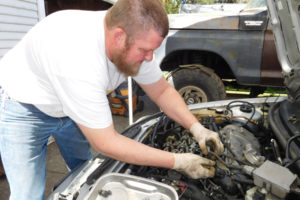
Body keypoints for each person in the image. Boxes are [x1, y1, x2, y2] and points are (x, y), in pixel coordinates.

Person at [0, 0, 224, 199]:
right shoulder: (77, 58)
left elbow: (162, 91)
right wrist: (178, 161)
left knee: (86, 172)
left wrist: (197, 128)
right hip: (24, 108)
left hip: (69, 111)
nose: (149, 58)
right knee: (27, 193)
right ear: (119, 36)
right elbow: (106, 142)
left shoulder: (132, 35)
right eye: (145, 50)